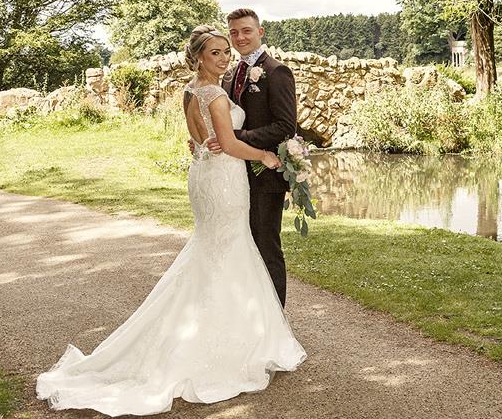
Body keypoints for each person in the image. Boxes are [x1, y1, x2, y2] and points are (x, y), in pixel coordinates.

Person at [35, 26, 306, 416]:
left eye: (225, 51)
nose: (224, 58)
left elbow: (197, 142)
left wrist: (208, 145)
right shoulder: (213, 92)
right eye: (215, 52)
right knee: (230, 249)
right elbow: (228, 144)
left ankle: (230, 330)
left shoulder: (189, 90)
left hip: (205, 175)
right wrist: (264, 157)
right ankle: (231, 343)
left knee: (213, 251)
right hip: (225, 177)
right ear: (198, 57)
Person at [192, 8, 297, 307]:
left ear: (260, 32)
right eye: (234, 32)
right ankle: (249, 317)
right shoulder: (229, 74)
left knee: (266, 247)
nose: (240, 37)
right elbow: (221, 119)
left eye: (246, 31)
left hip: (266, 176)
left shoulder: (276, 72)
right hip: (233, 176)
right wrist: (201, 141)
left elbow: (284, 127)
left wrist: (234, 140)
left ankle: (276, 322)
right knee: (242, 250)